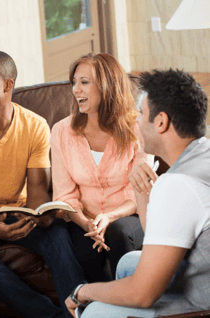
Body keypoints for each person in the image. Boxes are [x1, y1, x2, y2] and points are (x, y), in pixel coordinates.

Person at [0, 50, 87, 318]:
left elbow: (37, 191)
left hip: (20, 208)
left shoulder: (35, 126)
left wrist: (36, 218)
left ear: (8, 85)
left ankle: (80, 313)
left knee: (57, 235)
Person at [65, 69, 210, 317]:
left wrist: (81, 292)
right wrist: (140, 190)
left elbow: (142, 295)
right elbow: (157, 234)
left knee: (93, 312)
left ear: (162, 122)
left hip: (200, 306)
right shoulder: (202, 154)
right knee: (128, 263)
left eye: (142, 114)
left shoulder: (178, 184)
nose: (137, 121)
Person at [50, 53, 149, 282]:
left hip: (128, 215)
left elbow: (142, 191)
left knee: (119, 233)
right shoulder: (61, 131)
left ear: (107, 86)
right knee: (84, 251)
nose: (76, 90)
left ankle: (128, 303)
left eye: (84, 82)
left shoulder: (139, 127)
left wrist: (110, 216)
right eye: (74, 82)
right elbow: (64, 195)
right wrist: (88, 223)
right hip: (83, 219)